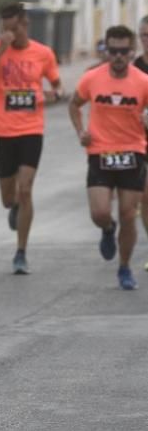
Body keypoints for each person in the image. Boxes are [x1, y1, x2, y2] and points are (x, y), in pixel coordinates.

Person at [0, 2, 63, 275]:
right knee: (7, 197)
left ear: (25, 24)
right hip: (2, 130)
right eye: (4, 28)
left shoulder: (43, 53)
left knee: (26, 189)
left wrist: (54, 94)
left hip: (31, 129)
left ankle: (21, 251)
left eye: (12, 28)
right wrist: (0, 50)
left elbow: (57, 84)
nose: (8, 33)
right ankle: (13, 207)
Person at [68, 25, 148, 290]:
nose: (118, 56)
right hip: (100, 152)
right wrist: (81, 132)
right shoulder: (92, 78)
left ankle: (124, 268)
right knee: (100, 212)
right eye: (112, 50)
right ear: (106, 50)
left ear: (132, 51)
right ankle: (106, 228)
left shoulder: (142, 81)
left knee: (128, 213)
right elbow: (74, 105)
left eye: (123, 51)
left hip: (133, 152)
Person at [132, 15, 148, 262]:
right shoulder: (133, 69)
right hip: (139, 140)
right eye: (143, 35)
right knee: (145, 196)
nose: (147, 40)